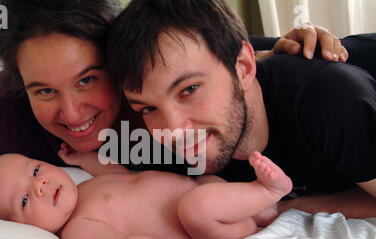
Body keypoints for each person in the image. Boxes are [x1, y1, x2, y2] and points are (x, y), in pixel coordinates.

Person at [0, 0, 350, 205]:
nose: (73, 113)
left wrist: (289, 49)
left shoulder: (153, 89)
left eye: (88, 80)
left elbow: (214, 57)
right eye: (43, 90)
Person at [106, 0, 376, 218]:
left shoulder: (329, 103)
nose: (174, 132)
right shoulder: (151, 137)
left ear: (244, 68)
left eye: (189, 90)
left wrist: (294, 207)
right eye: (148, 108)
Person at [0, 148, 292, 239]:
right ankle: (269, 192)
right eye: (26, 200)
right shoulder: (78, 230)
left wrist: (84, 159)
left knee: (207, 184)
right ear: (20, 229)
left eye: (36, 170)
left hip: (204, 192)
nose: (41, 185)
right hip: (202, 228)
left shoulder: (84, 188)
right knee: (198, 205)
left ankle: (259, 210)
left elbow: (121, 175)